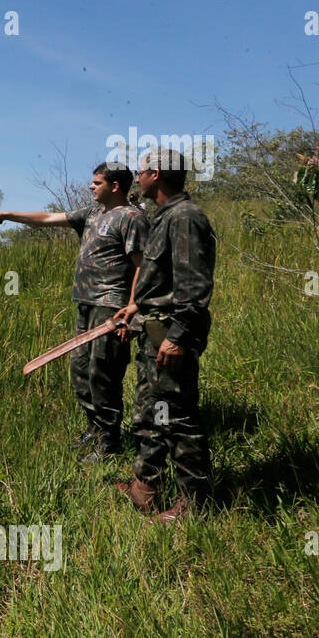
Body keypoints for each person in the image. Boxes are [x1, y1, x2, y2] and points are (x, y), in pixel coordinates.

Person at [0, 163, 148, 462]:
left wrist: (131, 310)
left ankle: (109, 443)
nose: (90, 186)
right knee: (80, 370)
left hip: (111, 307)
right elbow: (46, 218)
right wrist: (7, 215)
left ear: (114, 186)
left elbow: (141, 266)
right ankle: (94, 429)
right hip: (86, 304)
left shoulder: (132, 218)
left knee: (103, 373)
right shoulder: (92, 214)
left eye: (96, 182)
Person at [111, 148, 216, 523]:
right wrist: (136, 305)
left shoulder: (185, 218)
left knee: (179, 416)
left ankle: (195, 505)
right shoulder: (164, 217)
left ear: (155, 174)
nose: (136, 178)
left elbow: (193, 284)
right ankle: (146, 487)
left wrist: (180, 336)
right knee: (150, 413)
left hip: (170, 334)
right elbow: (164, 278)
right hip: (152, 329)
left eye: (140, 172)